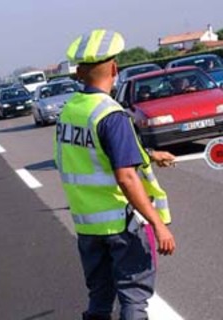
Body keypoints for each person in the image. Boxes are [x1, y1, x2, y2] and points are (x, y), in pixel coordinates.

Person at [54, 29, 176, 320]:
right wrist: (158, 225)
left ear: (80, 72)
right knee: (134, 299)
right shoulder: (110, 114)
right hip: (122, 226)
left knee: (100, 298)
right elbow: (126, 177)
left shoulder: (70, 111)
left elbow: (91, 155)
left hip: (88, 227)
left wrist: (149, 155)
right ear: (114, 68)